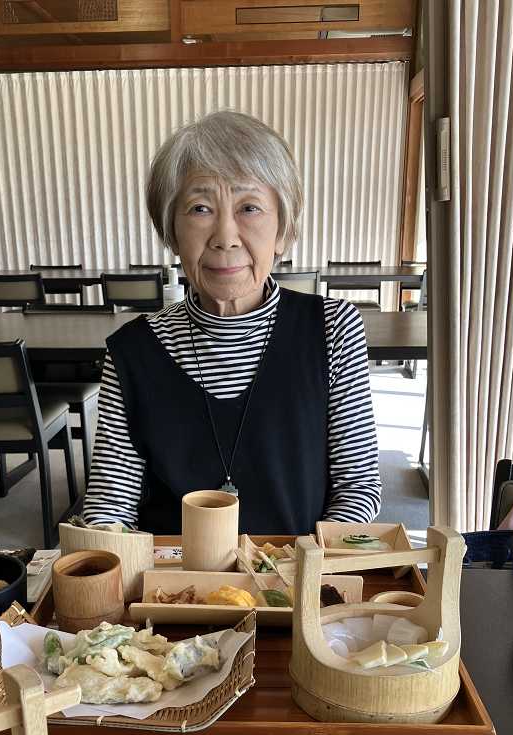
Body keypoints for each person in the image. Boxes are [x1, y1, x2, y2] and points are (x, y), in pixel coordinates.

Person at [83, 110, 381, 535]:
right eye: (200, 208)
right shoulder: (131, 351)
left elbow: (358, 488)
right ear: (172, 233)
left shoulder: (333, 330)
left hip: (298, 568)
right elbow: (109, 505)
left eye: (249, 207)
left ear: (283, 231)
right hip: (171, 575)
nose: (225, 236)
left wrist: (303, 563)